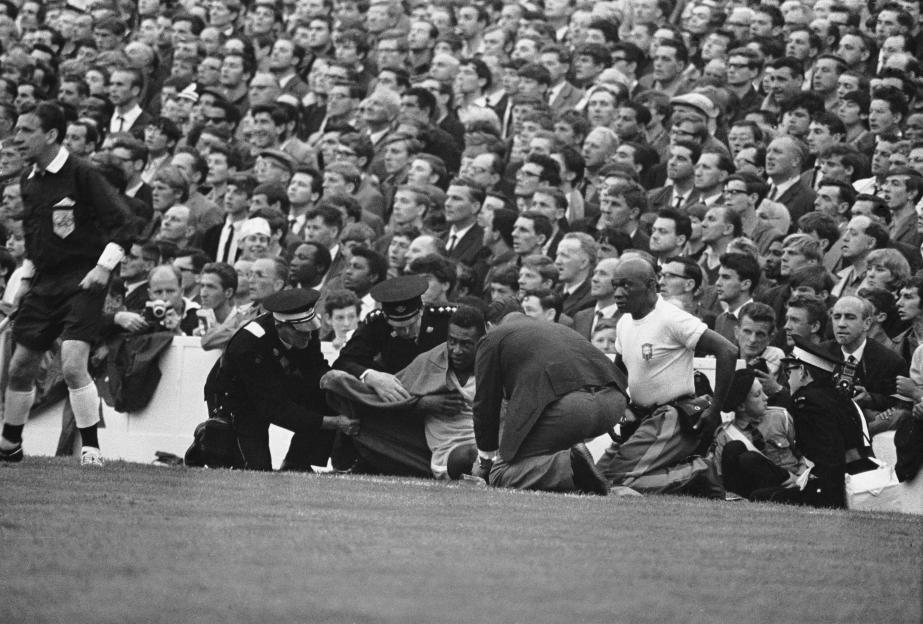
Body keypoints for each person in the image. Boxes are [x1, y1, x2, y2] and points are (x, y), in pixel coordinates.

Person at [0, 102, 136, 466]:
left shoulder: (83, 174)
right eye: (17, 129)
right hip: (45, 281)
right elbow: (35, 236)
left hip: (84, 279)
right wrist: (27, 280)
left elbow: (124, 224)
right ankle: (10, 443)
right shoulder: (29, 180)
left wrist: (103, 269)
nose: (17, 137)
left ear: (51, 135)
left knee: (73, 362)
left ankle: (91, 448)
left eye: (26, 130)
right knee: (20, 366)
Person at [596, 257, 738, 494]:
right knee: (595, 478)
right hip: (641, 418)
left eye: (627, 286)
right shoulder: (624, 323)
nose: (618, 293)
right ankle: (685, 474)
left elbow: (728, 350)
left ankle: (696, 472)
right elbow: (618, 374)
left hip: (671, 416)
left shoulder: (672, 318)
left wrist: (715, 410)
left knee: (613, 481)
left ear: (651, 285)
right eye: (616, 285)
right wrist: (618, 407)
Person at [472, 311, 627, 494]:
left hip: (572, 408)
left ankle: (568, 465)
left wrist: (485, 458)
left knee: (500, 473)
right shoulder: (558, 329)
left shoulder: (493, 338)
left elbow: (485, 404)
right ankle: (575, 470)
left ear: (490, 326)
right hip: (614, 402)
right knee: (545, 454)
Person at [204, 289, 358, 471]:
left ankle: (297, 462)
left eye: (311, 329)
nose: (309, 336)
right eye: (302, 332)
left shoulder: (306, 329)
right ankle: (203, 443)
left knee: (327, 396)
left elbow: (313, 367)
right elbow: (273, 408)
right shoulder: (248, 345)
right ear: (280, 327)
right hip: (237, 397)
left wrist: (331, 377)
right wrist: (333, 422)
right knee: (255, 469)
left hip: (277, 384)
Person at [323, 305, 484, 479]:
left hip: (489, 448)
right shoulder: (429, 362)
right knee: (468, 455)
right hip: (451, 455)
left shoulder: (493, 368)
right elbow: (387, 398)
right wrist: (423, 403)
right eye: (452, 341)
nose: (457, 350)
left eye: (466, 344)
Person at [783, 335, 877, 508]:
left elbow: (829, 457)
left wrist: (813, 487)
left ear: (803, 371)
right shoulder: (839, 397)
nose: (788, 379)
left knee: (758, 494)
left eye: (789, 371)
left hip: (835, 490)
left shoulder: (806, 400)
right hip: (861, 481)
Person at [709, 368, 819, 504]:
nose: (766, 397)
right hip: (755, 487)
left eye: (763, 391)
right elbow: (721, 478)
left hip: (793, 485)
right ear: (742, 406)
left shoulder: (780, 417)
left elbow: (803, 453)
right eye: (757, 395)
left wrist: (801, 477)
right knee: (741, 454)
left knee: (760, 494)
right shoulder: (725, 435)